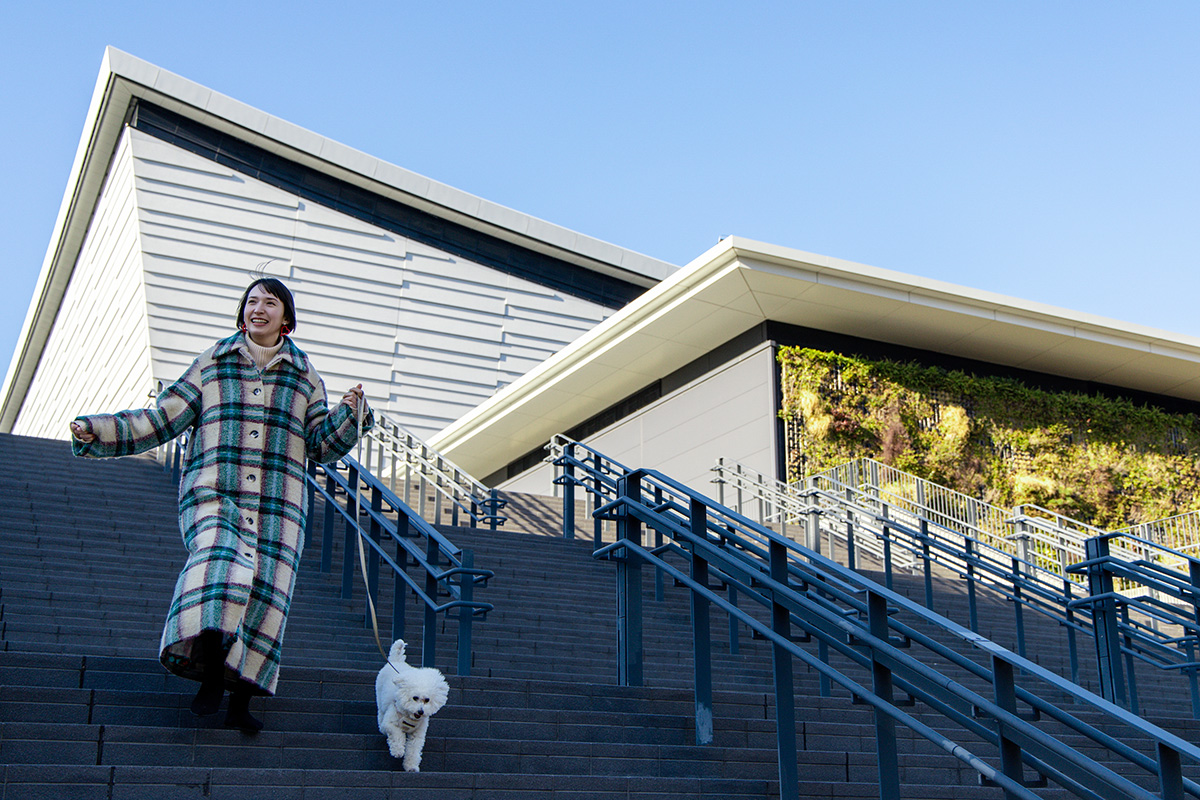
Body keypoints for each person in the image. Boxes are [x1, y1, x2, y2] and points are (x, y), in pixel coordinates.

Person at [70, 277, 373, 733]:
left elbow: (321, 445)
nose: (259, 309)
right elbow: (162, 417)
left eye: (270, 303)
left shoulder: (306, 378)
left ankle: (241, 702)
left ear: (285, 318)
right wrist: (99, 429)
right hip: (215, 494)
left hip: (279, 504)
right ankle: (211, 676)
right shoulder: (212, 364)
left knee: (266, 597)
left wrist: (351, 416)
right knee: (221, 570)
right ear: (242, 313)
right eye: (252, 301)